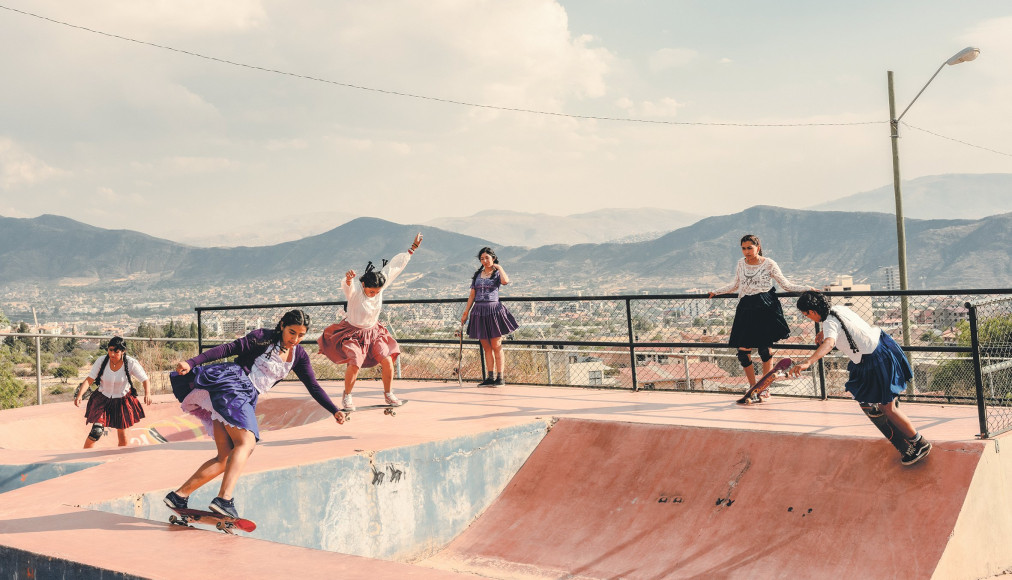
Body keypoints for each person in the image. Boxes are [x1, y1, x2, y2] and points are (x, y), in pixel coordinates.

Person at [164, 309, 344, 519]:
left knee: (225, 458)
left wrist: (334, 410)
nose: (295, 339)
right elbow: (228, 349)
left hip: (245, 396)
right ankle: (224, 499)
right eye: (291, 332)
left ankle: (180, 495)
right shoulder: (263, 338)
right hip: (234, 385)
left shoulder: (299, 356)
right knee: (246, 443)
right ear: (282, 325)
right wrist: (192, 362)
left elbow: (312, 385)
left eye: (301, 335)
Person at [789, 290, 930, 465]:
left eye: (806, 315)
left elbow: (830, 343)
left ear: (813, 311)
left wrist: (808, 362)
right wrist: (824, 333)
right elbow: (846, 328)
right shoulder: (838, 309)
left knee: (887, 408)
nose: (808, 318)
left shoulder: (829, 323)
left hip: (874, 359)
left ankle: (919, 443)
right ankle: (895, 418)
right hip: (882, 347)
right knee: (876, 402)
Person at [318, 233, 423, 410]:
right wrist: (349, 279)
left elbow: (393, 268)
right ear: (364, 286)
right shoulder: (356, 291)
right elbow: (347, 286)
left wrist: (412, 249)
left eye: (377, 291)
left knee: (387, 359)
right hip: (352, 333)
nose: (374, 293)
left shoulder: (379, 285)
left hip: (374, 332)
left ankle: (389, 394)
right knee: (355, 362)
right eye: (371, 291)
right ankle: (347, 396)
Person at [709, 234, 814, 401]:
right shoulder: (740, 263)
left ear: (758, 247)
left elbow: (785, 284)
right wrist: (716, 292)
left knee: (765, 351)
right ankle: (753, 387)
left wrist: (807, 289)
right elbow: (735, 284)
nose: (746, 251)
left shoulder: (769, 264)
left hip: (766, 309)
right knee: (743, 352)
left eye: (749, 248)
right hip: (746, 308)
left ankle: (765, 388)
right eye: (743, 248)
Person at [73, 336, 151, 448]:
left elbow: (145, 379)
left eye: (116, 351)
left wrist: (147, 393)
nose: (112, 354)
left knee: (122, 434)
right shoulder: (101, 361)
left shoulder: (131, 363)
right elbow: (89, 379)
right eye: (110, 350)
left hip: (122, 400)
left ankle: (122, 459)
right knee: (96, 431)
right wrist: (80, 395)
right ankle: (83, 456)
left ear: (123, 351)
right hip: (103, 399)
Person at [460, 247, 519, 386]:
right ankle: (490, 377)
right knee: (486, 347)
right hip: (479, 311)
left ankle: (500, 377)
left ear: (493, 258)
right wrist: (466, 312)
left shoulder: (497, 273)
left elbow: (505, 281)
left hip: (494, 310)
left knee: (496, 345)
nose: (484, 261)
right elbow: (472, 295)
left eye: (487, 258)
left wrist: (498, 267)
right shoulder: (477, 275)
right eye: (482, 259)